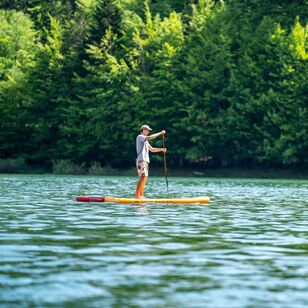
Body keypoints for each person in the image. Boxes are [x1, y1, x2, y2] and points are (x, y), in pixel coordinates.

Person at [135, 125, 166, 199]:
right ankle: (137, 196)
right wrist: (160, 133)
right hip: (141, 160)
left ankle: (141, 195)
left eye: (149, 131)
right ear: (143, 130)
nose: (148, 132)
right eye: (148, 130)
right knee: (142, 177)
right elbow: (150, 137)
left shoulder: (146, 141)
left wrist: (161, 149)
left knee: (145, 178)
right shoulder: (140, 137)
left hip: (145, 161)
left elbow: (152, 149)